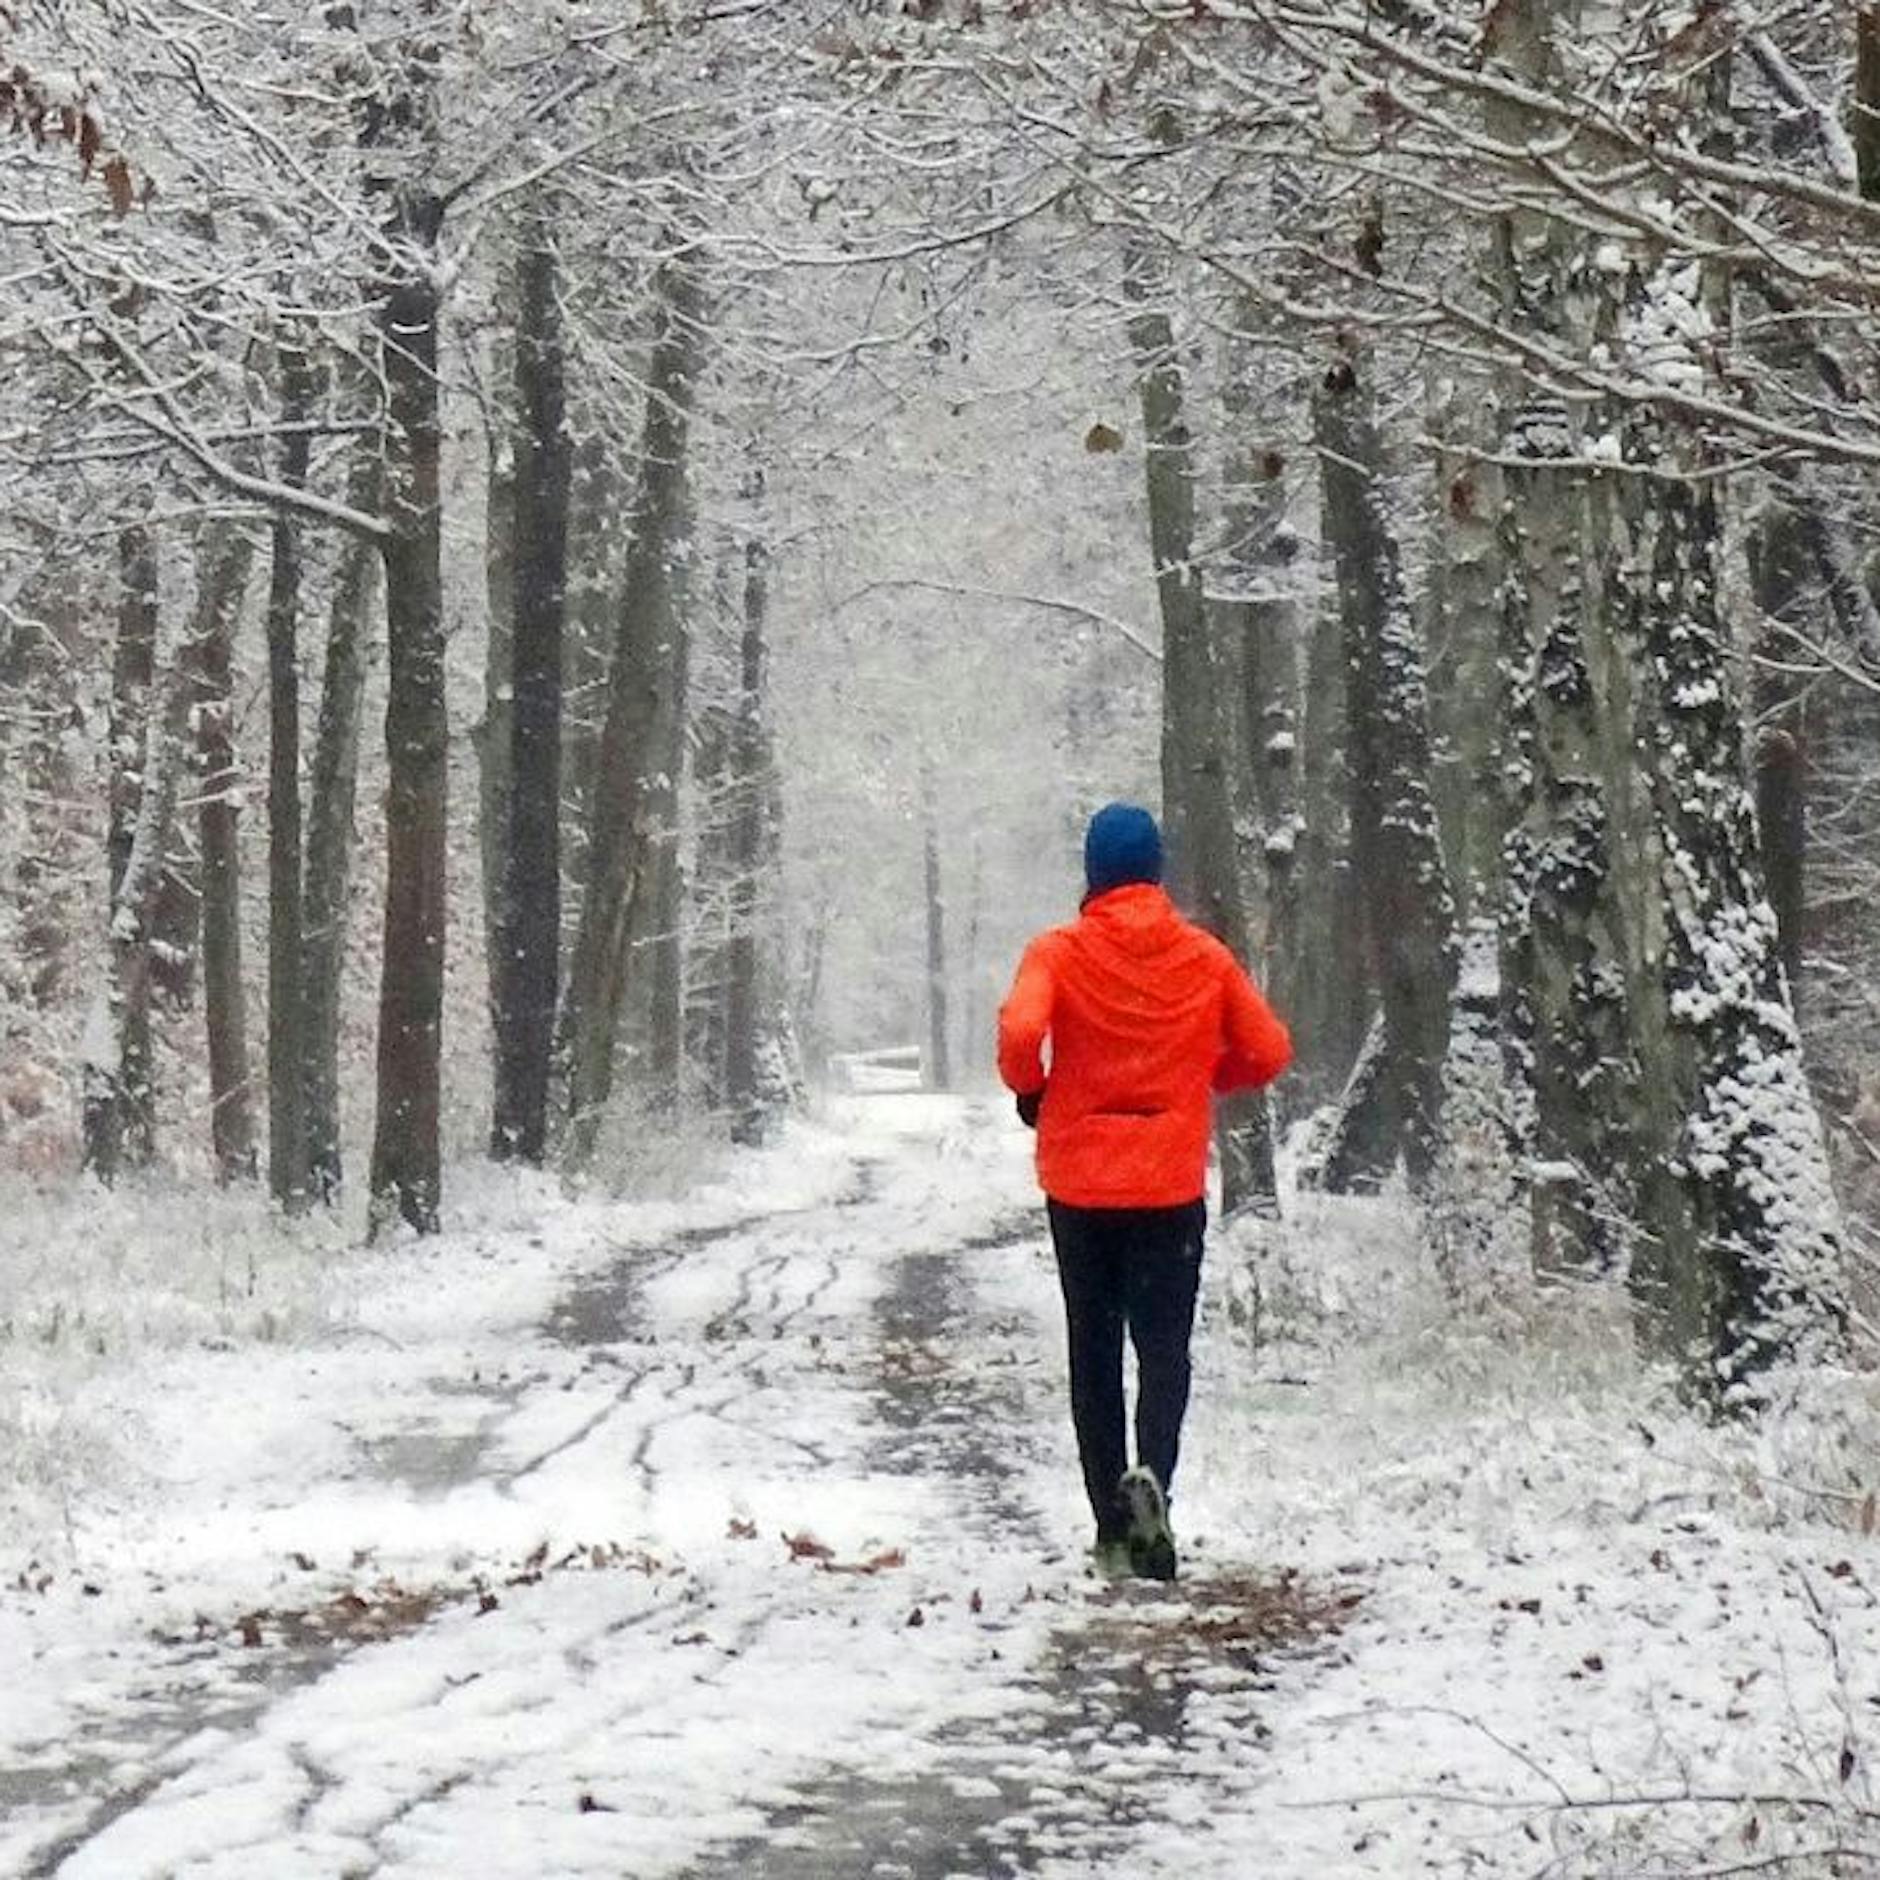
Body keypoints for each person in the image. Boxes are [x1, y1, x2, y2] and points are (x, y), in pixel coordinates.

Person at [997, 802, 1292, 1581]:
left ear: (1091, 872)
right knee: (1163, 1351)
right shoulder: (1204, 957)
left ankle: (1110, 1527)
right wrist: (1200, 1080)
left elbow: (1023, 1036)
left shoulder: (1056, 952)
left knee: (1093, 1352)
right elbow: (1267, 1048)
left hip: (1082, 1187)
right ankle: (1154, 1473)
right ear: (1157, 870)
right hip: (1167, 1186)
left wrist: (1036, 1091)